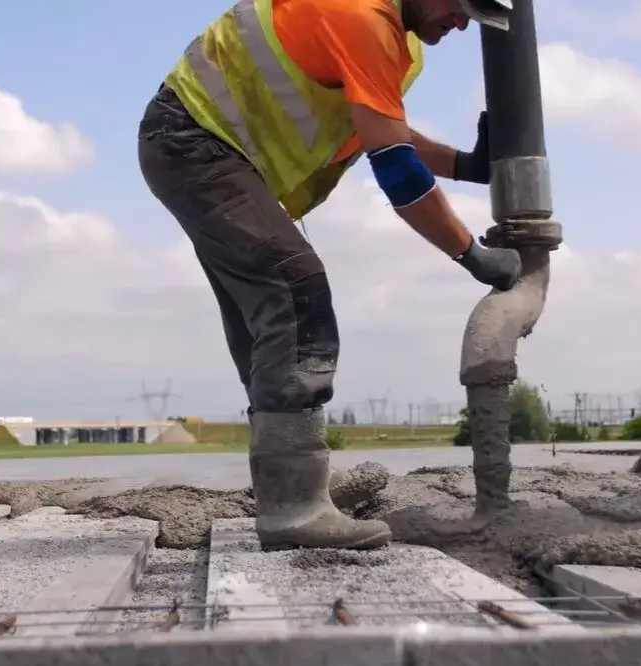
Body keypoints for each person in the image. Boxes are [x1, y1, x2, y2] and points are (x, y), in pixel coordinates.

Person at [138, 0, 521, 551]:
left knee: (266, 317)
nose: (462, 23)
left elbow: (375, 129)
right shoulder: (361, 17)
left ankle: (296, 480)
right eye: (463, 5)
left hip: (197, 147)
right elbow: (392, 165)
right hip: (193, 142)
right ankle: (293, 509)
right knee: (295, 288)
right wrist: (470, 254)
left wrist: (464, 164)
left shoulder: (401, 39)